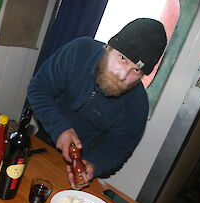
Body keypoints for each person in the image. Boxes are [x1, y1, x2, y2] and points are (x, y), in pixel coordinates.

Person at [27, 18, 167, 189]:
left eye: (136, 70)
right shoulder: (80, 51)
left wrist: (93, 164)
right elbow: (39, 87)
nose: (122, 76)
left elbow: (118, 149)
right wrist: (59, 128)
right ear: (108, 48)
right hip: (42, 140)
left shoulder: (137, 106)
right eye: (122, 58)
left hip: (81, 166)